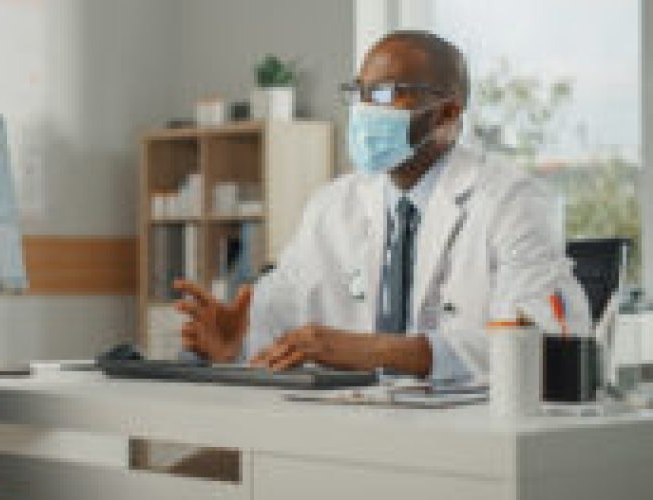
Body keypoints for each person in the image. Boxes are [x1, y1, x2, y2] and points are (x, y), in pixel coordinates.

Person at [177, 31, 590, 383]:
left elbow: (542, 341)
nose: (364, 110)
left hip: (468, 437)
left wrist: (380, 351)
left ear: (446, 113)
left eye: (385, 94)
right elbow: (282, 312)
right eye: (359, 93)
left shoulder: (513, 202)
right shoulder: (333, 205)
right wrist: (241, 340)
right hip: (352, 426)